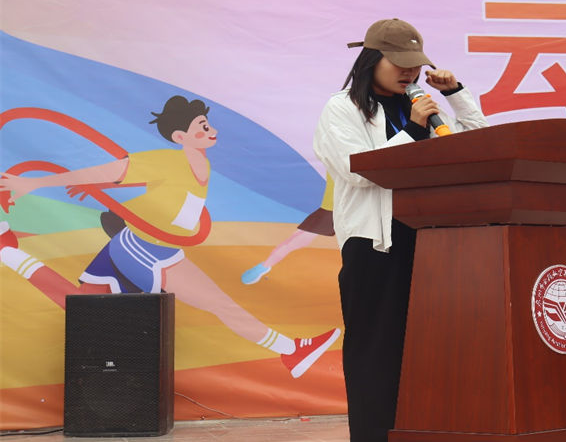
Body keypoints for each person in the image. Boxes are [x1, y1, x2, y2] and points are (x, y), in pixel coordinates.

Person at [0, 95, 341, 379]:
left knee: (80, 306)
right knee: (220, 304)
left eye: (208, 125)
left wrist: (100, 189)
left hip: (143, 243)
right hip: (145, 249)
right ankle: (291, 350)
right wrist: (35, 182)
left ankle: (7, 252)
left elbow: (163, 200)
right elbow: (114, 170)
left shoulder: (198, 165)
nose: (212, 131)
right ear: (180, 136)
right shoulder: (167, 160)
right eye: (202, 127)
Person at [313, 19, 488, 442]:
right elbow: (358, 169)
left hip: (430, 237)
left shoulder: (422, 105)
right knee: (376, 341)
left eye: (415, 65)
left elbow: (476, 146)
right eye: (399, 64)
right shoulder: (342, 108)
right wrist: (412, 129)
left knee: (432, 340)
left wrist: (455, 95)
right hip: (375, 241)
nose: (409, 73)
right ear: (372, 60)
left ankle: (428, 430)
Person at [242, 174, 336, 285]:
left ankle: (264, 266)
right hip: (331, 210)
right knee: (297, 240)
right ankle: (264, 266)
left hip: (338, 210)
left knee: (297, 240)